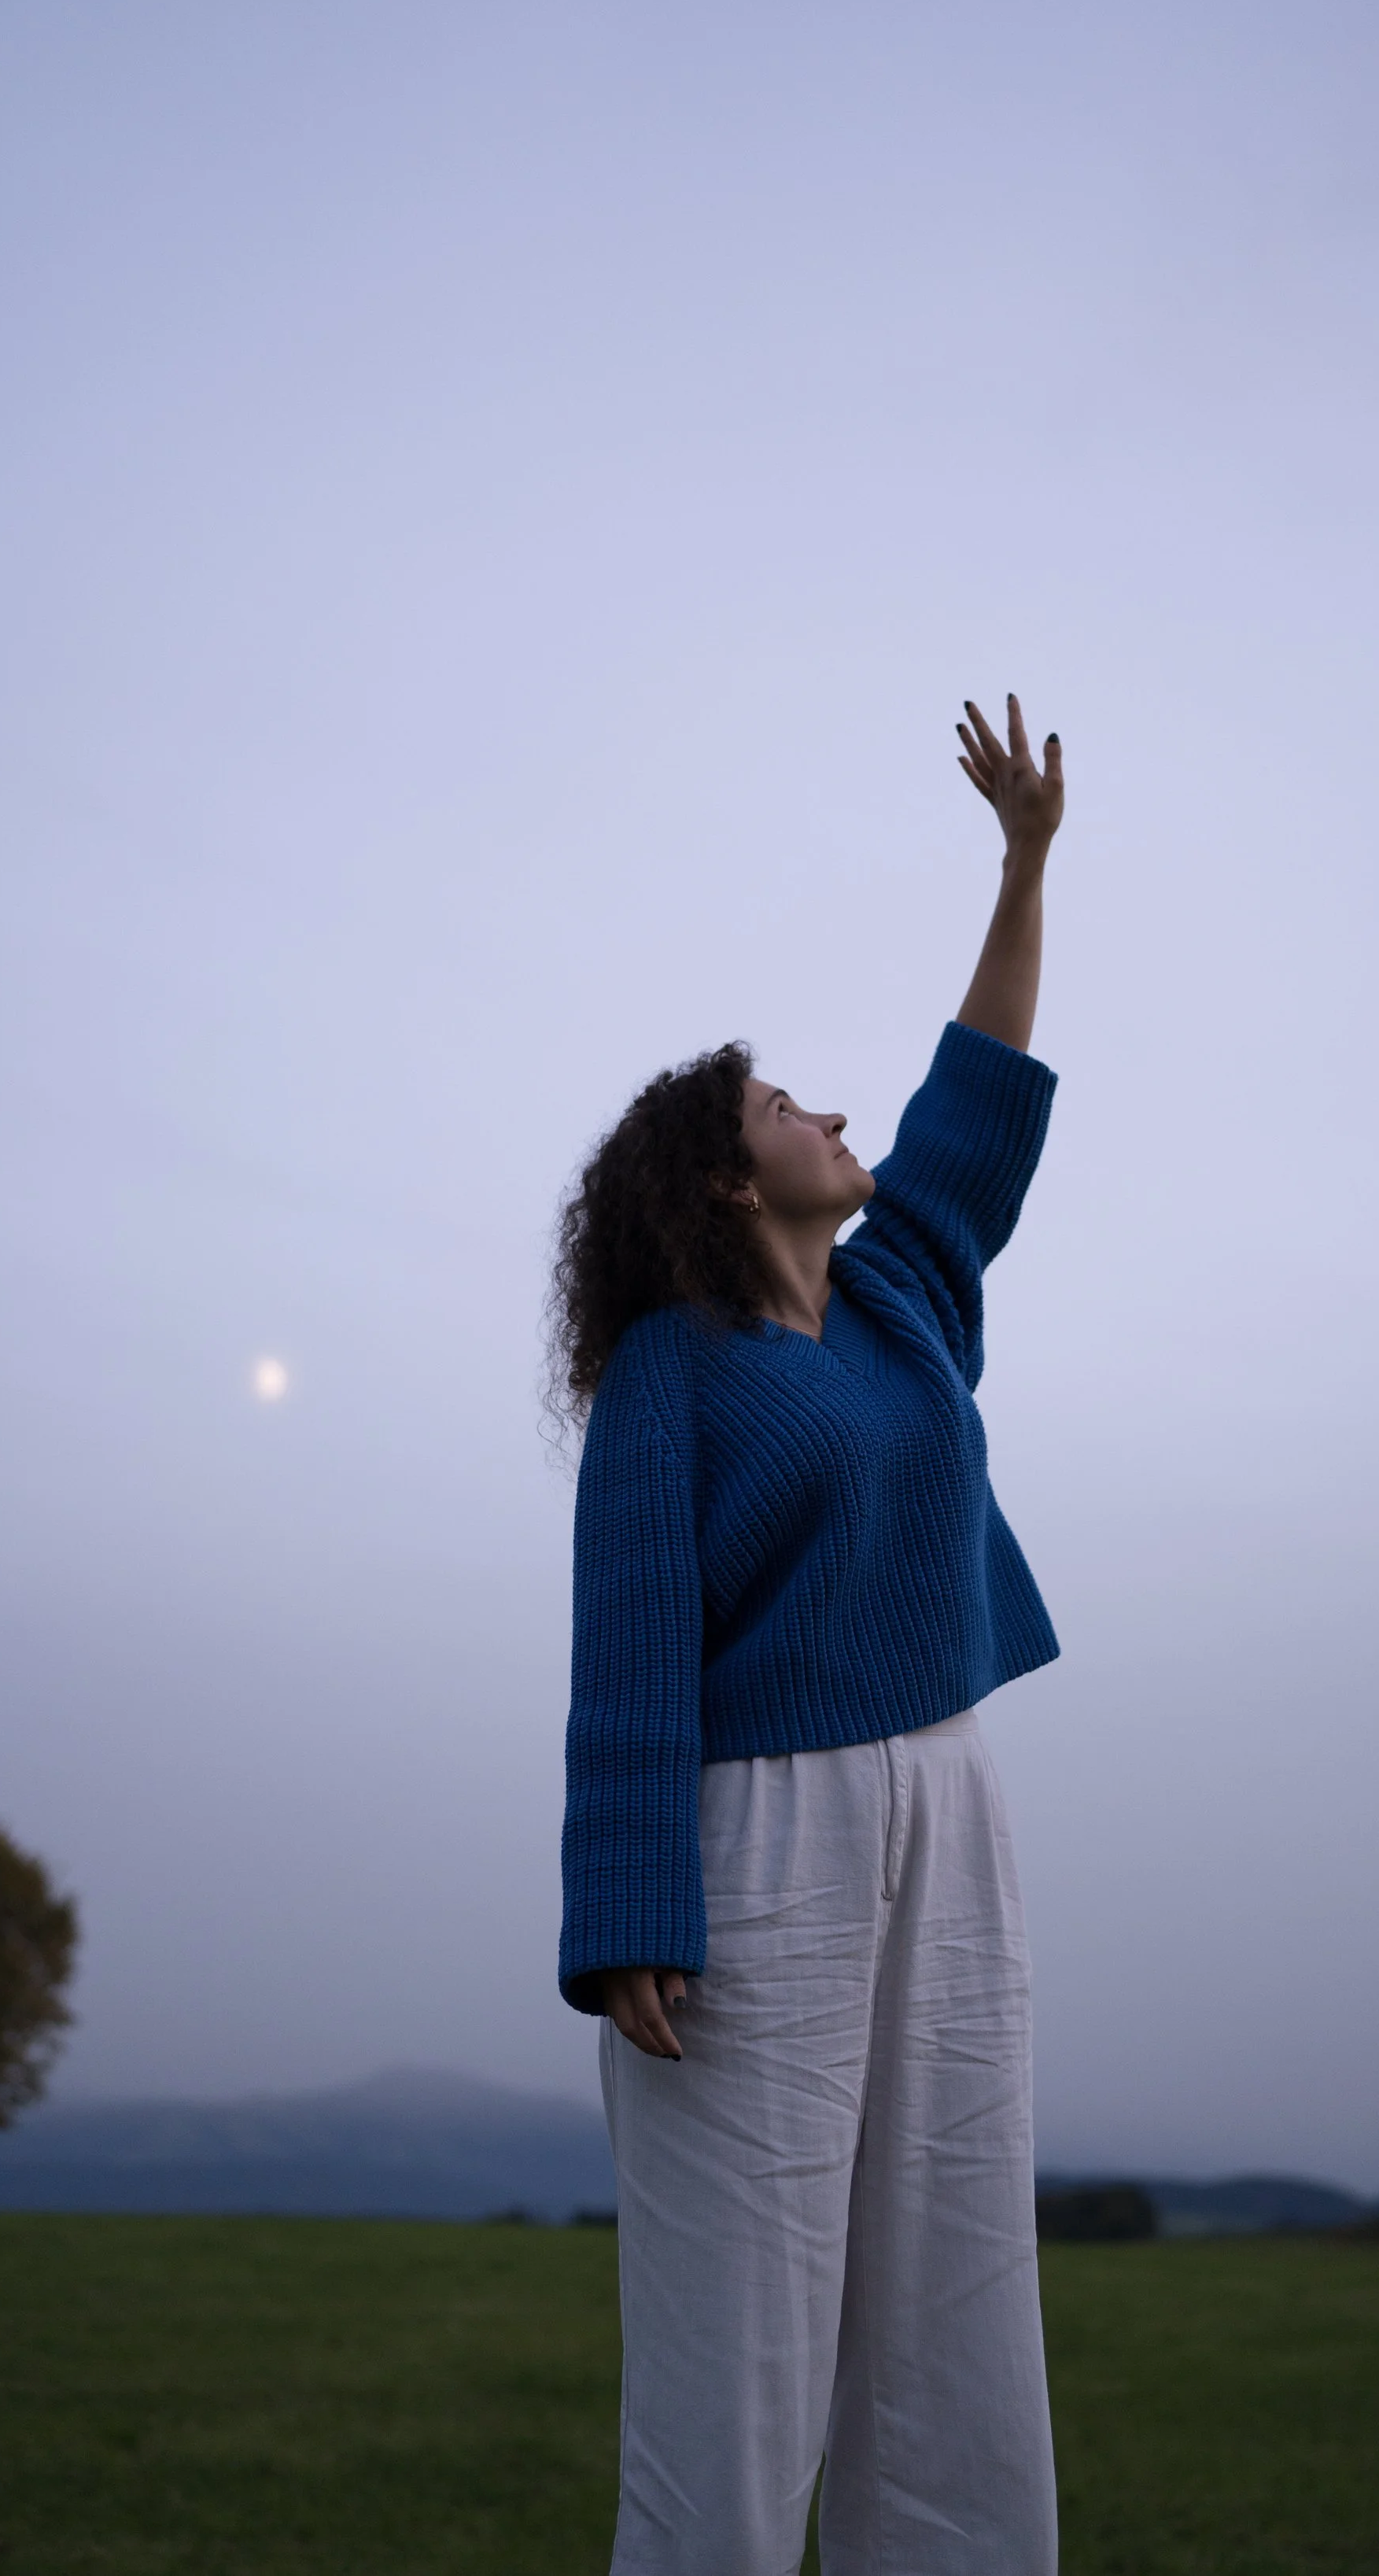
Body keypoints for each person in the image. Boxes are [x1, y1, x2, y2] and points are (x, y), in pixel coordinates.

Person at [551, 695, 1066, 2576]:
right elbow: (628, 1654)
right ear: (716, 1175)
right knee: (737, 2357)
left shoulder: (902, 1295)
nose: (835, 1114)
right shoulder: (670, 1378)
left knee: (948, 2310)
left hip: (953, 1817)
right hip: (755, 1849)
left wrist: (1020, 866)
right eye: (786, 1106)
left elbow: (974, 1093)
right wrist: (622, 1918)